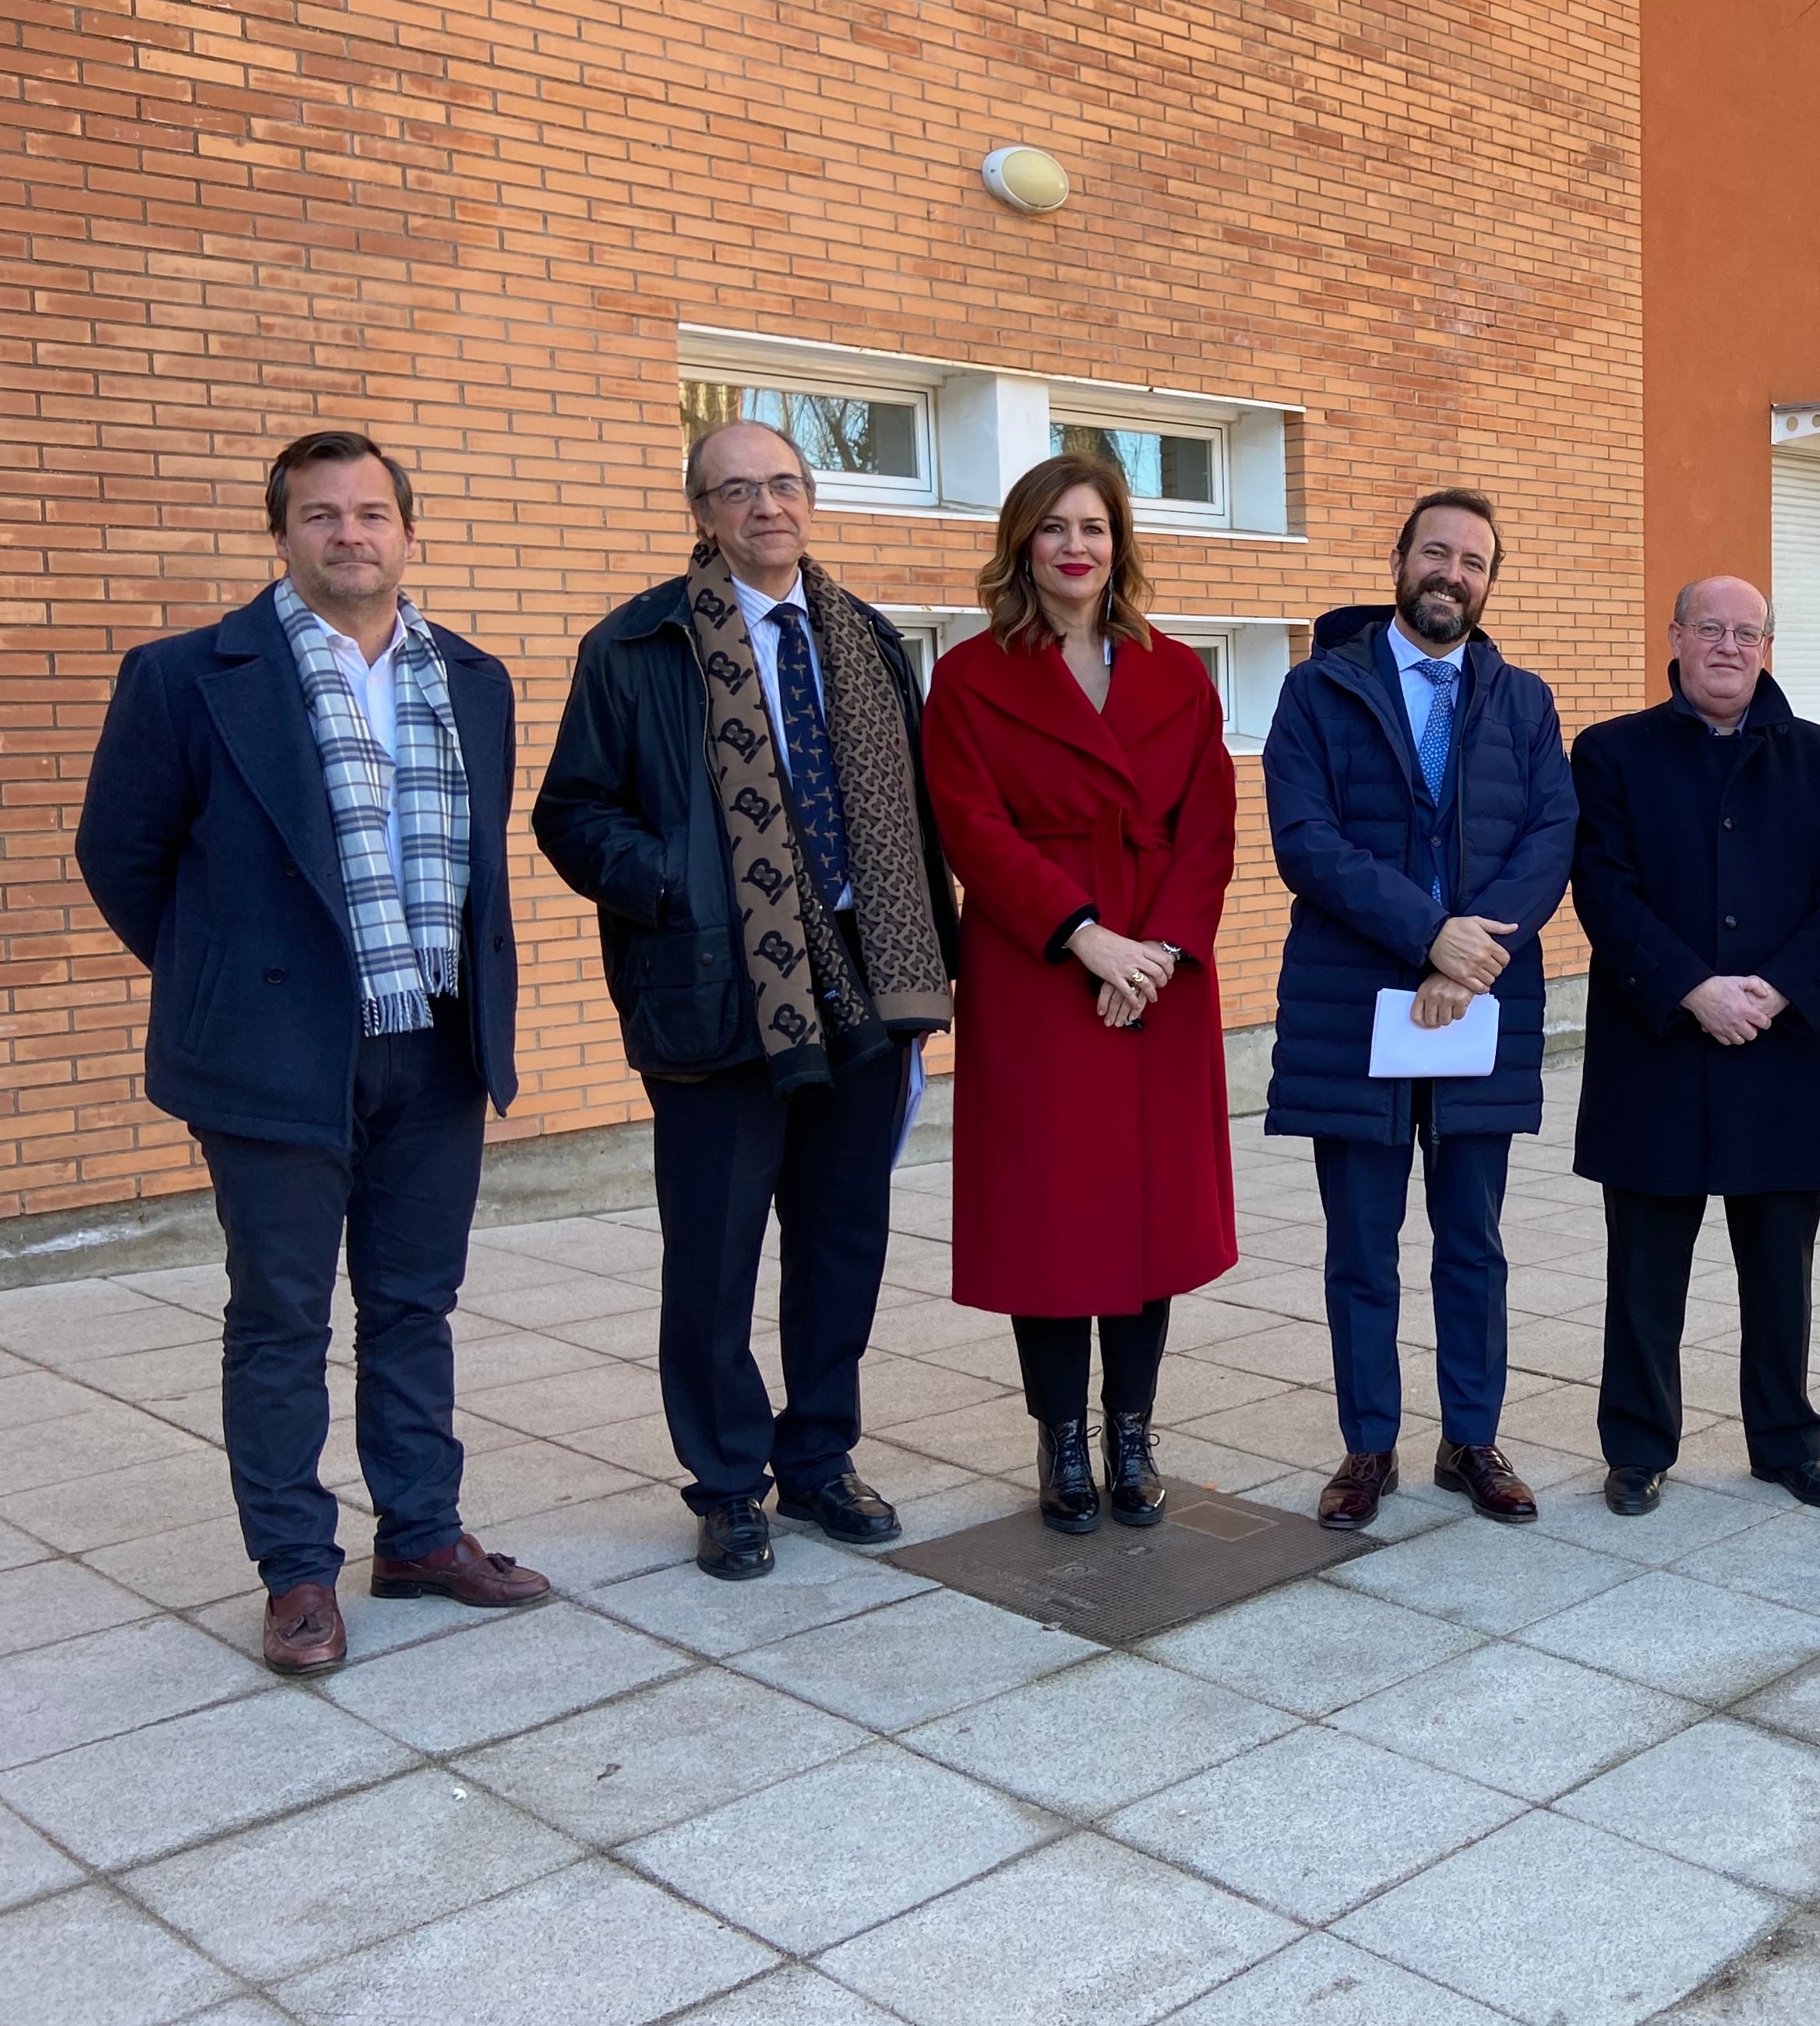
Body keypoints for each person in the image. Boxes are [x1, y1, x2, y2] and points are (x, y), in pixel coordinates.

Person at [76, 431, 548, 1675]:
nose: (351, 535)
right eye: (323, 516)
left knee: (413, 1307)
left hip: (435, 1041)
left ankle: (422, 1535)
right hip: (274, 1052)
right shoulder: (188, 676)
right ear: (280, 534)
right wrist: (227, 981)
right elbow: (121, 861)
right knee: (280, 1318)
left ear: (409, 529)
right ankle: (297, 1571)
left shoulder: (475, 679)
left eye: (373, 513)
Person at [535, 420, 958, 1580]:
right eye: (736, 492)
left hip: (866, 992)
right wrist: (674, 879)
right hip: (717, 995)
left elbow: (914, 821)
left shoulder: (868, 639)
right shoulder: (634, 646)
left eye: (782, 483)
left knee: (840, 1245)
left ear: (808, 498)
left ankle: (818, 1458)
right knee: (714, 1257)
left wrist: (935, 958)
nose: (765, 506)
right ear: (702, 514)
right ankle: (727, 1481)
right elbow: (570, 815)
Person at [924, 454, 1238, 1534]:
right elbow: (973, 830)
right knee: (1051, 1218)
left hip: (1159, 977)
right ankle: (1061, 1443)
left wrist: (1155, 953)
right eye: (1054, 528)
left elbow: (1210, 831)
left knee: (1146, 1216)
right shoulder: (970, 678)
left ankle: (1134, 1433)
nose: (1076, 547)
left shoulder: (1179, 673)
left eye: (1095, 527)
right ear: (1022, 544)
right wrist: (1086, 940)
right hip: (1039, 973)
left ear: (1120, 544)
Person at [1261, 488, 1577, 1529]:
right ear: (1399, 560)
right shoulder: (1318, 692)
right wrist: (1424, 934)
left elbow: (1549, 837)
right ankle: (1369, 1444)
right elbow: (1305, 842)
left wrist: (1470, 955)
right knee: (1362, 1240)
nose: (1452, 574)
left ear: (1491, 582)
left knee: (1473, 1238)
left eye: (1475, 562)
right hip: (1356, 1004)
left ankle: (1472, 1437)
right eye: (1435, 553)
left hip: (1477, 1003)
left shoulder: (1523, 701)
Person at [1569, 577, 1820, 1516]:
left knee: (1782, 1272)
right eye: (1710, 628)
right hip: (1655, 1045)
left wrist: (1781, 986)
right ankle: (1637, 1446)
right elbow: (1603, 889)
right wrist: (1691, 988)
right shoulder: (1612, 752)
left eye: (1748, 632)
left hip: (1778, 1049)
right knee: (1644, 1272)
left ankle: (1788, 1442)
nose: (1728, 646)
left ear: (1767, 646)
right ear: (1675, 635)